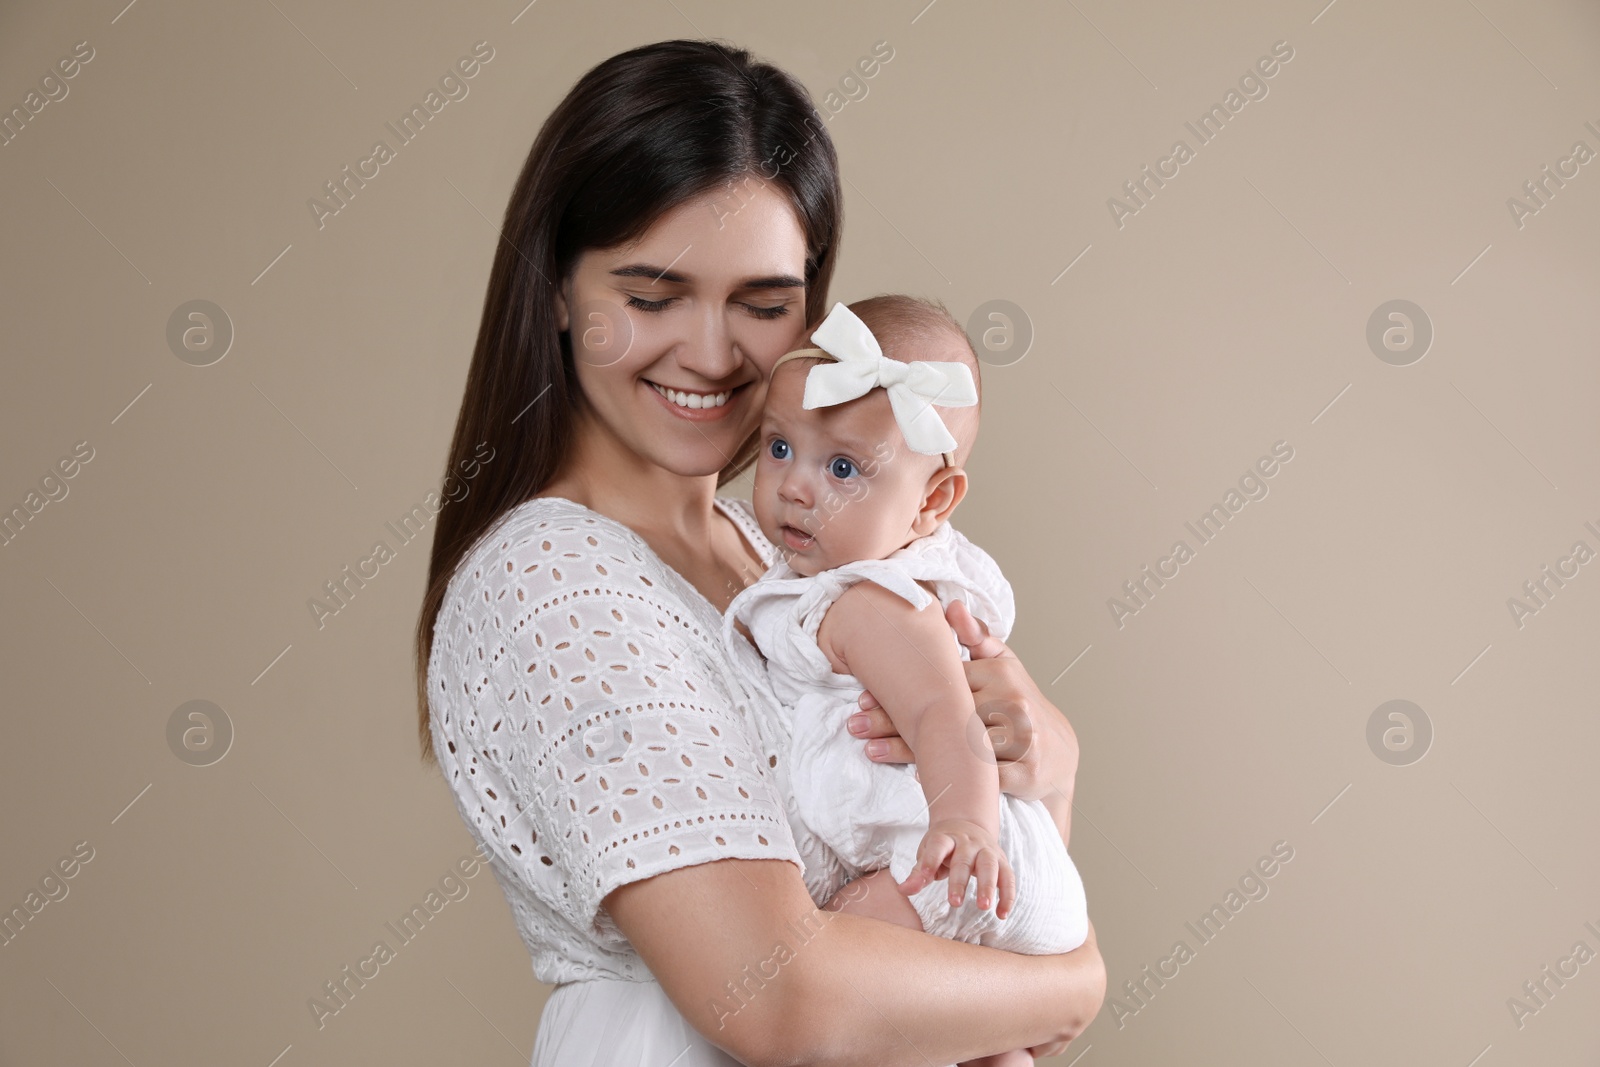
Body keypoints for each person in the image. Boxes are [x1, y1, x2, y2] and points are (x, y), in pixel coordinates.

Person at [413, 39, 1105, 1066]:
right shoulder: (554, 583)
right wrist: (1070, 984)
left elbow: (940, 931)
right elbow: (781, 1002)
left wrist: (1038, 765)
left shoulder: (775, 556)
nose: (709, 351)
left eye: (762, 302)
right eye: (652, 296)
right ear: (558, 290)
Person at [722, 296, 1090, 1067]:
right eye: (780, 447)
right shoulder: (865, 578)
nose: (795, 486)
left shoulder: (869, 601)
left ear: (930, 502)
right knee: (969, 1047)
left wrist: (964, 827)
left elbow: (937, 712)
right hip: (984, 868)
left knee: (839, 967)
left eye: (844, 468)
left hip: (943, 862)